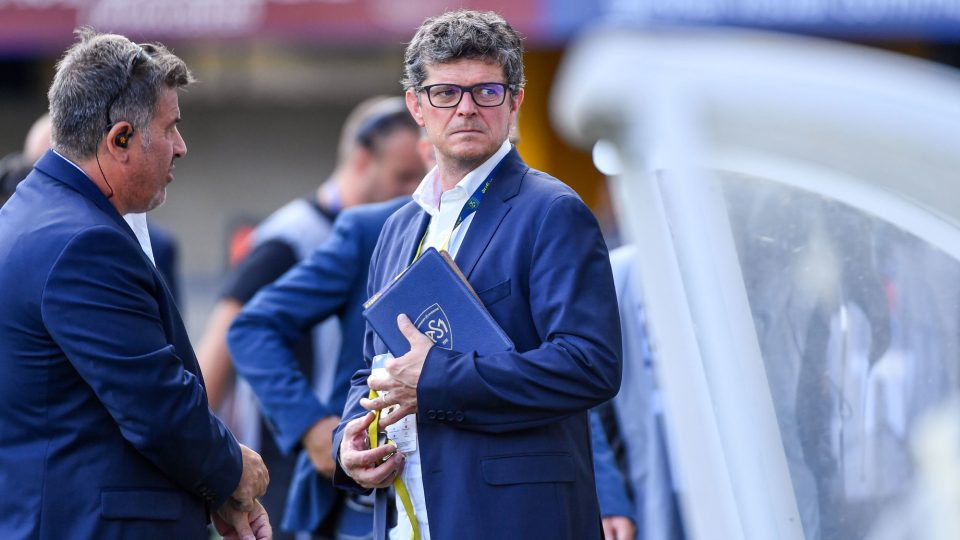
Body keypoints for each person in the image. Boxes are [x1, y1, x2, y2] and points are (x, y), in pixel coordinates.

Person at [332, 10, 622, 540]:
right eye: (445, 93)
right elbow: (371, 367)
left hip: (513, 520)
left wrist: (437, 378)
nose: (466, 108)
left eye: (486, 91)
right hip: (406, 520)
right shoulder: (398, 227)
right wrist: (348, 440)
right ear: (416, 106)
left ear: (515, 101)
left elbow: (590, 365)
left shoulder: (553, 210)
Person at [0, 28, 270, 540]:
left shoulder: (34, 214)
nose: (181, 148)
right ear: (120, 138)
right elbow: (155, 405)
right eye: (170, 128)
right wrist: (234, 470)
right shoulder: (83, 243)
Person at [199, 96, 424, 538]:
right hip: (286, 466)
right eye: (403, 176)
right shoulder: (290, 241)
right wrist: (203, 458)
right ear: (363, 160)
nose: (413, 190)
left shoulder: (402, 230)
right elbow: (225, 342)